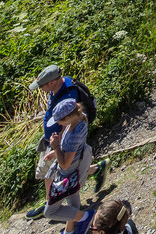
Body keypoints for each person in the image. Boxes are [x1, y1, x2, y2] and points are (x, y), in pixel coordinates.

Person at [27, 65, 102, 218]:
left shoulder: (68, 96)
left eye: (42, 86)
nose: (40, 89)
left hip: (58, 141)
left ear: (51, 83)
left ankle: (51, 204)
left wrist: (55, 147)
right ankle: (97, 170)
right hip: (55, 140)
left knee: (49, 174)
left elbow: (65, 163)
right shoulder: (58, 87)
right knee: (60, 177)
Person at [41, 98, 95, 228]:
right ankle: (73, 229)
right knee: (72, 199)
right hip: (75, 171)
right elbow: (75, 149)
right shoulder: (81, 118)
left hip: (68, 174)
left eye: (60, 120)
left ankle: (87, 217)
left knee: (49, 211)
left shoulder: (74, 135)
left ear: (69, 116)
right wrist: (55, 153)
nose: (58, 123)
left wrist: (56, 147)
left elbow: (65, 164)